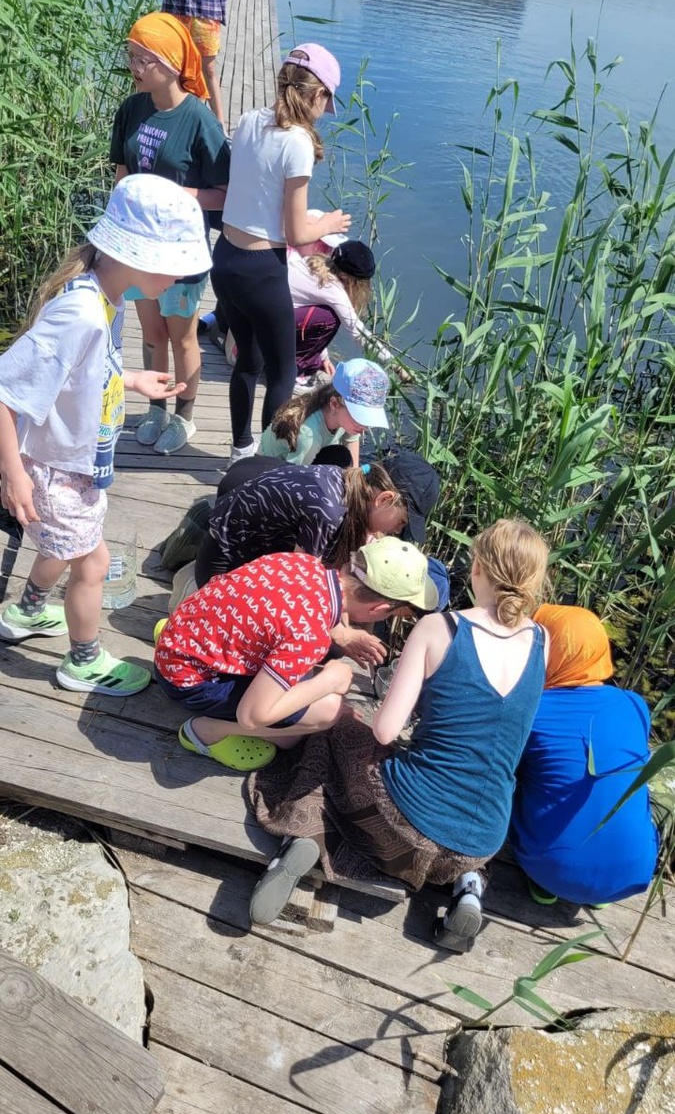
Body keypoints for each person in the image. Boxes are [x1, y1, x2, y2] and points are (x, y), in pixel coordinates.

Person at [247, 519, 549, 944]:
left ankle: (305, 837)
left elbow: (386, 731)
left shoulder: (441, 627)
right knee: (465, 811)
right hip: (481, 841)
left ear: (477, 566)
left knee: (335, 730)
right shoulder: (542, 640)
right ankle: (469, 888)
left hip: (404, 827)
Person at [0, 175, 211, 695]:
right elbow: (4, 391)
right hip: (56, 471)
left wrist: (130, 380)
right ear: (139, 257)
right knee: (92, 563)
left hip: (70, 464)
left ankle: (26, 612)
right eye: (174, 267)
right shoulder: (81, 314)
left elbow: (79, 371)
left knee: (65, 546)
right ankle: (82, 661)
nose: (178, 280)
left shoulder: (101, 295)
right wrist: (14, 475)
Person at [154, 538, 438, 767]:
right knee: (328, 710)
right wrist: (330, 680)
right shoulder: (310, 634)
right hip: (188, 680)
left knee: (292, 731)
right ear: (379, 609)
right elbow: (251, 715)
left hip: (181, 639)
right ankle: (207, 731)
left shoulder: (302, 563)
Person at [210, 43, 351, 466]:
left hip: (226, 259)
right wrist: (329, 223)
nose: (324, 113)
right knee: (283, 373)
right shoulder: (299, 143)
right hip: (261, 270)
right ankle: (266, 466)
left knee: (247, 361)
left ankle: (240, 450)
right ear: (317, 94)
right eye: (326, 102)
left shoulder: (249, 120)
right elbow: (297, 233)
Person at [111, 12, 230, 455]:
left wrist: (173, 193)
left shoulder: (199, 120)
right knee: (151, 333)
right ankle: (156, 408)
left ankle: (185, 416)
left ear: (171, 63)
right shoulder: (132, 109)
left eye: (143, 59)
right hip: (137, 246)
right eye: (131, 57)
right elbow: (122, 177)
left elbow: (224, 195)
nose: (134, 67)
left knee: (182, 337)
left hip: (181, 252)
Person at [509, 604, 659, 908]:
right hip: (635, 873)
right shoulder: (634, 704)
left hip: (552, 869)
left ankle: (543, 885)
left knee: (514, 777)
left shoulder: (532, 709)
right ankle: (600, 891)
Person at [288, 233, 407, 388]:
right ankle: (296, 375)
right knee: (329, 318)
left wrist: (323, 357)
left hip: (265, 314)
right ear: (347, 277)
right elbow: (360, 334)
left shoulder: (314, 263)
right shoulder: (333, 289)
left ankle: (297, 362)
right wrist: (397, 367)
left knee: (323, 314)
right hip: (271, 321)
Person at [258, 358, 390, 467]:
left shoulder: (346, 418)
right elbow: (293, 480)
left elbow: (352, 440)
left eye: (367, 419)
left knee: (343, 457)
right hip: (269, 469)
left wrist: (355, 478)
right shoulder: (308, 435)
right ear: (334, 404)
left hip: (311, 454)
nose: (364, 427)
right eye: (359, 416)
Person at [161, 0, 232, 129]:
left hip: (206, 6)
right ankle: (173, 119)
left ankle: (220, 126)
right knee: (172, 66)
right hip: (175, 2)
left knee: (208, 70)